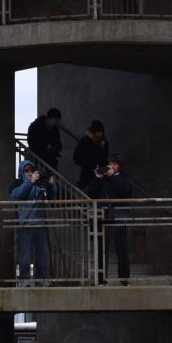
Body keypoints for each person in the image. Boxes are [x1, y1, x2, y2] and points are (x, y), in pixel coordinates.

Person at [10, 160, 58, 283]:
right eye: (26, 170)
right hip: (25, 225)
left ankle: (41, 280)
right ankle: (24, 280)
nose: (30, 172)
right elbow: (17, 195)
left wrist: (52, 185)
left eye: (31, 170)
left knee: (42, 255)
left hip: (42, 224)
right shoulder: (17, 183)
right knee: (25, 255)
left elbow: (52, 198)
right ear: (22, 172)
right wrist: (29, 182)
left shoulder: (40, 184)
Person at [87, 155, 133, 284]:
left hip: (119, 217)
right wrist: (98, 178)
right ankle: (100, 280)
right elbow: (91, 194)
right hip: (103, 217)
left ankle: (124, 280)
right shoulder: (104, 179)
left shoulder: (123, 178)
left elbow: (124, 191)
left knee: (121, 249)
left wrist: (112, 177)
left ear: (119, 166)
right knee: (101, 249)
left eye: (113, 164)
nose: (110, 167)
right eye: (109, 164)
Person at [73, 120, 109, 188]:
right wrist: (87, 165)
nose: (100, 134)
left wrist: (102, 171)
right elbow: (76, 157)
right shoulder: (85, 141)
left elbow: (105, 160)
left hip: (99, 177)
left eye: (101, 132)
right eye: (98, 132)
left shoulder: (104, 144)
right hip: (87, 175)